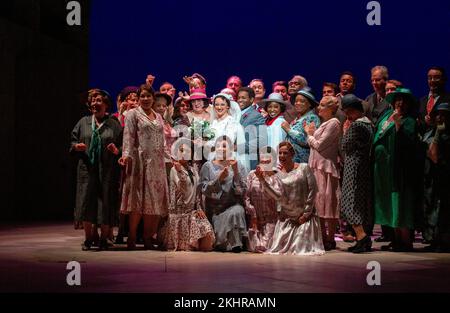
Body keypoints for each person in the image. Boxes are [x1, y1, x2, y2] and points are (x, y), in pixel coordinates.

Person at [119, 84, 170, 250]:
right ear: (139, 98)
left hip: (157, 164)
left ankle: (148, 237)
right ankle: (132, 236)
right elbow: (128, 137)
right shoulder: (133, 114)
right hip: (140, 162)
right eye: (143, 96)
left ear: (153, 98)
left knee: (153, 202)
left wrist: (170, 157)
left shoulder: (158, 117)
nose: (146, 99)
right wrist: (126, 155)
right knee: (138, 202)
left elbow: (163, 141)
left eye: (149, 96)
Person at [71, 89, 122, 250]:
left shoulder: (113, 124)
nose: (95, 103)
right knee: (87, 202)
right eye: (93, 101)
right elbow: (72, 141)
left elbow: (122, 145)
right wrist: (76, 146)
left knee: (106, 202)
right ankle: (87, 238)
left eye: (99, 100)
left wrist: (117, 151)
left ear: (106, 104)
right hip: (88, 169)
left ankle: (104, 238)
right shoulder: (83, 122)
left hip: (107, 170)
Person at [373, 88, 420, 252]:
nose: (400, 103)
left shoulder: (409, 120)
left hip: (400, 169)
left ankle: (405, 241)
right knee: (388, 203)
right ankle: (396, 239)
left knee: (400, 203)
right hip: (384, 169)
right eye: (397, 100)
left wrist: (399, 126)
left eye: (403, 100)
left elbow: (410, 144)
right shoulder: (386, 116)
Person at [258, 142, 325, 255]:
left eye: (285, 153)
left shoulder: (304, 168)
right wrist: (262, 180)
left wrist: (306, 214)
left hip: (304, 218)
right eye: (280, 153)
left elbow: (313, 190)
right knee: (279, 250)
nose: (282, 156)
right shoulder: (278, 174)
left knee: (301, 249)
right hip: (288, 218)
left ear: (292, 154)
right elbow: (278, 196)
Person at [304, 96, 342, 251]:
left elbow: (319, 145)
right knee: (318, 202)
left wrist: (309, 134)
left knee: (328, 201)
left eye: (322, 105)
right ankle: (321, 236)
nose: (319, 107)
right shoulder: (323, 124)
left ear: (331, 108)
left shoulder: (334, 123)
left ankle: (330, 237)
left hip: (325, 168)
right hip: (316, 166)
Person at [199, 135, 248, 252]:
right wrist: (219, 179)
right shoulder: (208, 166)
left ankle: (236, 244)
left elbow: (242, 191)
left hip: (232, 205)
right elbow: (203, 189)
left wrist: (236, 172)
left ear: (231, 149)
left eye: (225, 146)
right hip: (216, 210)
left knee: (237, 211)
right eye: (219, 146)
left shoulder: (238, 165)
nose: (222, 148)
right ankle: (223, 243)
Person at [165, 140, 215, 251]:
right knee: (192, 247)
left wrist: (199, 208)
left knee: (207, 241)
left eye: (188, 151)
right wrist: (181, 172)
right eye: (181, 150)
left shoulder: (193, 170)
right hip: (180, 213)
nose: (184, 153)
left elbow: (197, 191)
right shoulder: (174, 170)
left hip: (192, 212)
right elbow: (182, 188)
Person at [340, 94, 374, 253]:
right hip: (364, 165)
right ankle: (363, 238)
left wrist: (345, 131)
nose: (347, 115)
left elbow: (345, 146)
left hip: (353, 165)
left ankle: (361, 236)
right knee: (359, 202)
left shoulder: (356, 126)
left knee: (350, 201)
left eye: (348, 112)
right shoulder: (369, 123)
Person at [425, 103, 450, 252]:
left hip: (445, 175)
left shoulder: (445, 135)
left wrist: (437, 135)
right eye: (438, 114)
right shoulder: (435, 131)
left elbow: (433, 155)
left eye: (444, 115)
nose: (440, 118)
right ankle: (436, 239)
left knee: (444, 209)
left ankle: (444, 241)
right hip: (434, 176)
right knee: (435, 207)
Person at [244, 147, 280, 252]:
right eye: (262, 161)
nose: (264, 164)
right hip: (255, 218)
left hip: (271, 218)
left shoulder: (277, 176)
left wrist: (263, 179)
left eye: (267, 162)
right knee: (254, 246)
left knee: (265, 247)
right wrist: (253, 215)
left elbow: (275, 196)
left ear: (273, 161)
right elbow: (246, 196)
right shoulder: (252, 174)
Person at [282, 89, 320, 163]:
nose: (297, 103)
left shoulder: (312, 118)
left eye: (302, 101)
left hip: (302, 162)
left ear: (310, 104)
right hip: (292, 161)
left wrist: (289, 130)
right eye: (296, 101)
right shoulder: (298, 118)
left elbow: (307, 141)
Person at [237, 87, 267, 170]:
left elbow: (261, 140)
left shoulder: (257, 116)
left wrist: (239, 147)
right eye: (238, 98)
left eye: (243, 98)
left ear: (251, 99)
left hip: (248, 159)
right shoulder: (235, 115)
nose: (240, 100)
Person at [418, 66, 450, 135]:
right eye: (430, 78)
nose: (432, 80)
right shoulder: (421, 101)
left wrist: (435, 124)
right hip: (421, 144)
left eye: (436, 77)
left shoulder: (448, 99)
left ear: (444, 80)